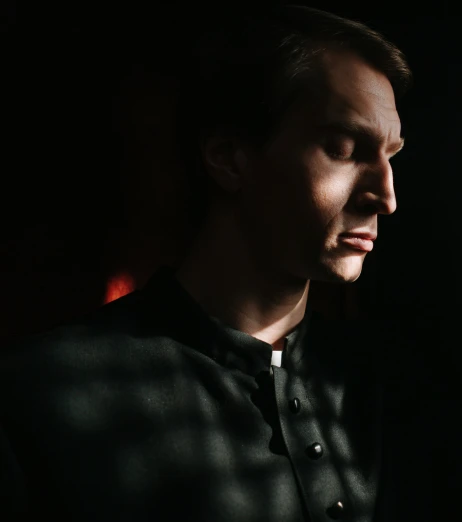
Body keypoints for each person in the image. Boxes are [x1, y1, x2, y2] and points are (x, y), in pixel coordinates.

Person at [0, 6, 413, 521]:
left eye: (390, 155)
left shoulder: (394, 384)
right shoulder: (44, 395)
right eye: (343, 148)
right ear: (229, 157)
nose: (385, 196)